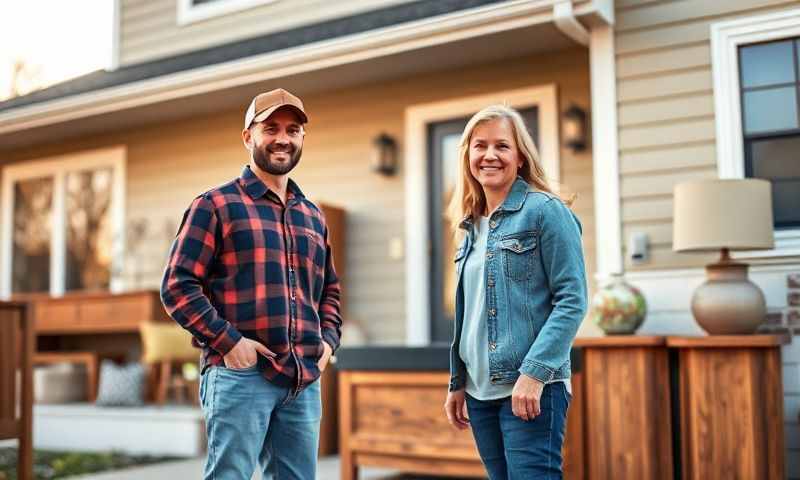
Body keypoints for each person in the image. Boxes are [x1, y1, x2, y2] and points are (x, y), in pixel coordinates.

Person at [161, 88, 342, 480]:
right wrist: (230, 342)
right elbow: (178, 285)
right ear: (248, 136)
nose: (282, 138)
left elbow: (329, 289)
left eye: (293, 130)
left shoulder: (313, 216)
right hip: (240, 376)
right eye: (270, 127)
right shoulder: (215, 205)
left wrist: (328, 342)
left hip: (302, 379)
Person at [443, 104, 587, 479]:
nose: (489, 155)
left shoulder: (545, 212)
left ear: (520, 157)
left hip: (529, 389)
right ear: (468, 156)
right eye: (480, 146)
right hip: (479, 393)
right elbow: (469, 313)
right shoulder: (470, 227)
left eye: (502, 146)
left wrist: (534, 375)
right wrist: (458, 382)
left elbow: (572, 300)